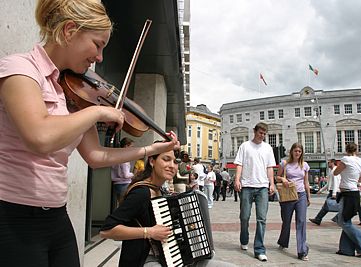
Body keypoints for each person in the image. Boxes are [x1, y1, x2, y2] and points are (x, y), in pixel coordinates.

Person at [0, 1, 180, 266]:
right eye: (98, 45)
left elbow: (96, 156)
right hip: (13, 216)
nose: (100, 58)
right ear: (70, 30)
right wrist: (96, 113)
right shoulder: (20, 70)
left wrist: (151, 149)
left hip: (57, 217)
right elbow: (39, 137)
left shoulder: (70, 92)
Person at [100, 148, 236, 267]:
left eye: (175, 162)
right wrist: (149, 232)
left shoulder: (162, 191)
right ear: (152, 161)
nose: (172, 166)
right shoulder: (141, 192)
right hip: (146, 259)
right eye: (166, 159)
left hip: (174, 257)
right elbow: (107, 230)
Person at [234, 122, 276, 262]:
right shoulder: (245, 146)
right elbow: (239, 164)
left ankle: (259, 249)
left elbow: (270, 167)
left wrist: (272, 183)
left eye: (264, 134)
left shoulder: (268, 148)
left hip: (263, 186)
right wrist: (237, 180)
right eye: (260, 133)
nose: (262, 136)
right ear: (255, 131)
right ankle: (244, 239)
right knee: (244, 216)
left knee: (261, 219)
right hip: (246, 185)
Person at [333, 143, 361, 257]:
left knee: (343, 221)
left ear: (346, 150)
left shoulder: (345, 159)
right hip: (355, 191)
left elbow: (336, 172)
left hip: (347, 193)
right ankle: (346, 249)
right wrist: (355, 179)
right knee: (347, 220)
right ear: (357, 150)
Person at [276, 143, 311, 261]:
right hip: (288, 195)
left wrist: (308, 197)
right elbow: (277, 177)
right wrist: (283, 179)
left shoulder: (305, 165)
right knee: (286, 221)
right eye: (295, 151)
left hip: (301, 195)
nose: (297, 153)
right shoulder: (284, 163)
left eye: (299, 151)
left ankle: (302, 251)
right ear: (291, 152)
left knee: (301, 222)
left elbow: (306, 182)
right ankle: (283, 241)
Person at [309, 159, 341, 225]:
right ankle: (318, 219)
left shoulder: (335, 170)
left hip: (335, 191)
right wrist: (321, 190)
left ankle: (319, 219)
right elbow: (329, 184)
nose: (328, 163)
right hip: (334, 191)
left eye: (329, 162)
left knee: (333, 206)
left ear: (332, 163)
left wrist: (334, 193)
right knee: (327, 206)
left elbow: (336, 183)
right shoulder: (331, 171)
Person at [111, 137, 135, 206]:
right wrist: (134, 174)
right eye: (131, 146)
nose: (132, 149)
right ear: (126, 146)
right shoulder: (124, 158)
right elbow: (126, 175)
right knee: (126, 205)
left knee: (121, 204)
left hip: (117, 184)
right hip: (124, 184)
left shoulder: (116, 156)